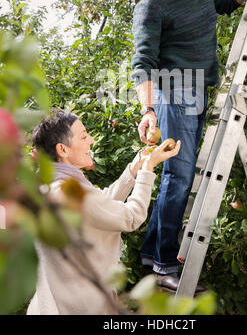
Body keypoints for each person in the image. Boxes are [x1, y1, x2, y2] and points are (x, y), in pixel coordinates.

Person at [131, 0, 247, 292]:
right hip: (170, 96)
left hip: (197, 93)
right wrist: (148, 111)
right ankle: (163, 267)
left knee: (176, 177)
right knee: (178, 178)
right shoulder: (152, 5)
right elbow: (142, 64)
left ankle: (149, 257)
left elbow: (230, 1)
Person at [26, 108, 180, 315]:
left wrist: (134, 169)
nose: (91, 140)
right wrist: (147, 169)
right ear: (62, 149)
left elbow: (99, 205)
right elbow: (131, 217)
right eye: (83, 136)